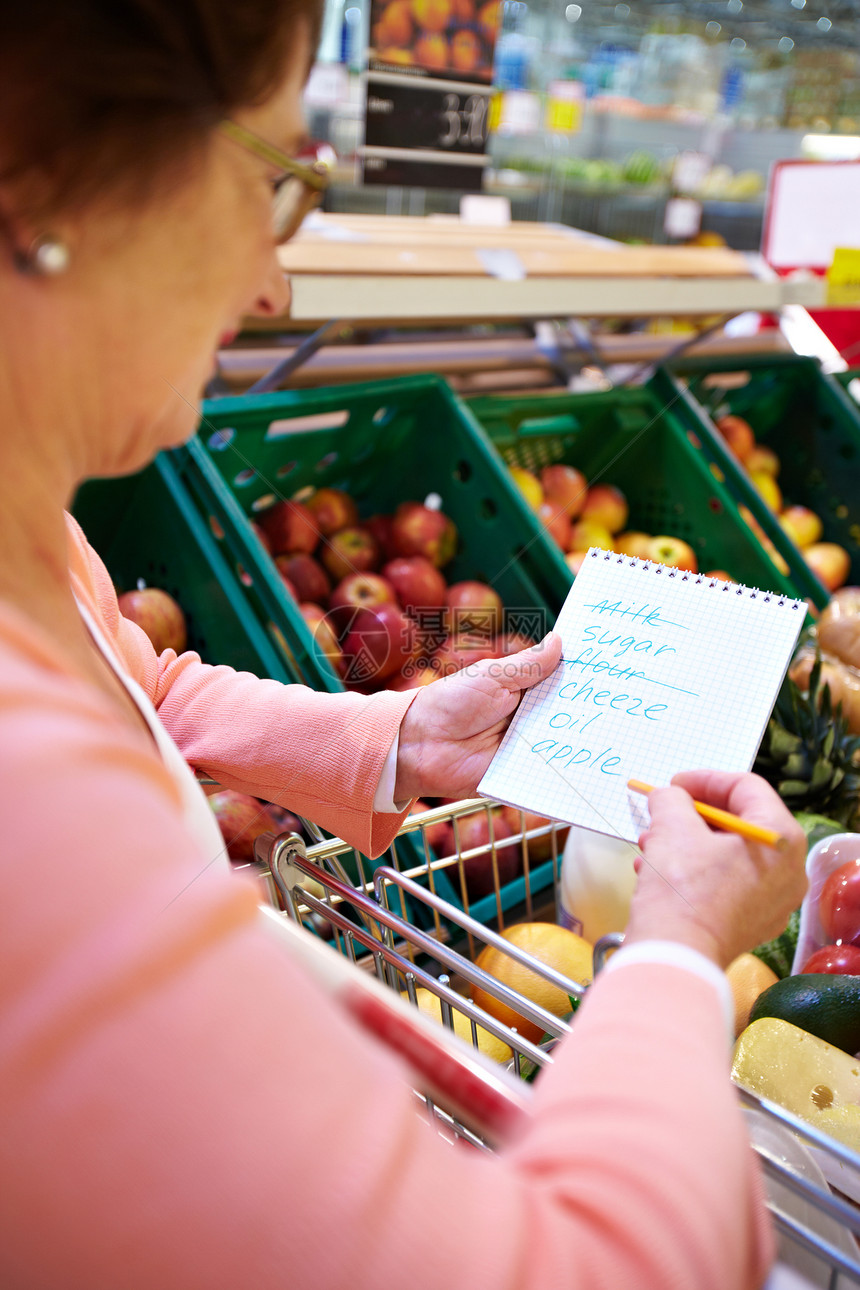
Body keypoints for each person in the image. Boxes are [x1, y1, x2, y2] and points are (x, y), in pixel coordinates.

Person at [0, 4, 807, 1288]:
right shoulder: (26, 816)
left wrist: (393, 737)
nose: (272, 286)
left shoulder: (31, 531)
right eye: (272, 186)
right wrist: (673, 955)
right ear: (52, 186)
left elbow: (131, 686)